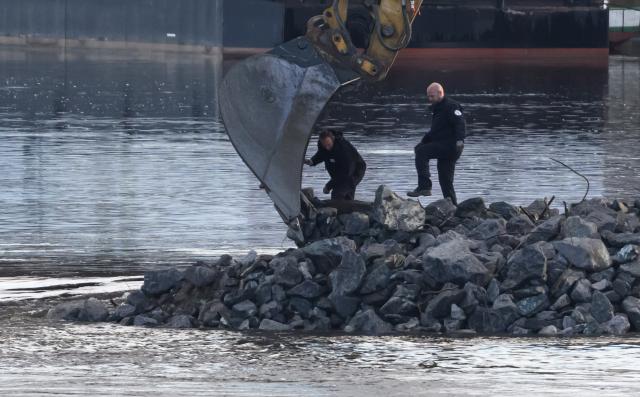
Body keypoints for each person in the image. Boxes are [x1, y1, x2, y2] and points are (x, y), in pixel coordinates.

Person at [408, 82, 465, 205]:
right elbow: (436, 131)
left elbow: (460, 123)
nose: (429, 99)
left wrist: (460, 140)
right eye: (428, 96)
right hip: (444, 145)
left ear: (440, 93)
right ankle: (453, 207)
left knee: (421, 151)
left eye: (432, 96)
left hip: (451, 146)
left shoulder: (451, 106)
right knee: (445, 180)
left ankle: (424, 187)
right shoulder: (438, 109)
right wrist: (423, 141)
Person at [305, 130, 366, 200]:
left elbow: (345, 173)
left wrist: (328, 186)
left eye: (329, 145)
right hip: (340, 171)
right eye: (324, 146)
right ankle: (348, 208)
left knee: (338, 193)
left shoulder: (343, 149)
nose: (327, 148)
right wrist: (312, 161)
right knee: (344, 192)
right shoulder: (324, 146)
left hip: (354, 170)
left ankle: (341, 208)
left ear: (333, 139)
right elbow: (322, 154)